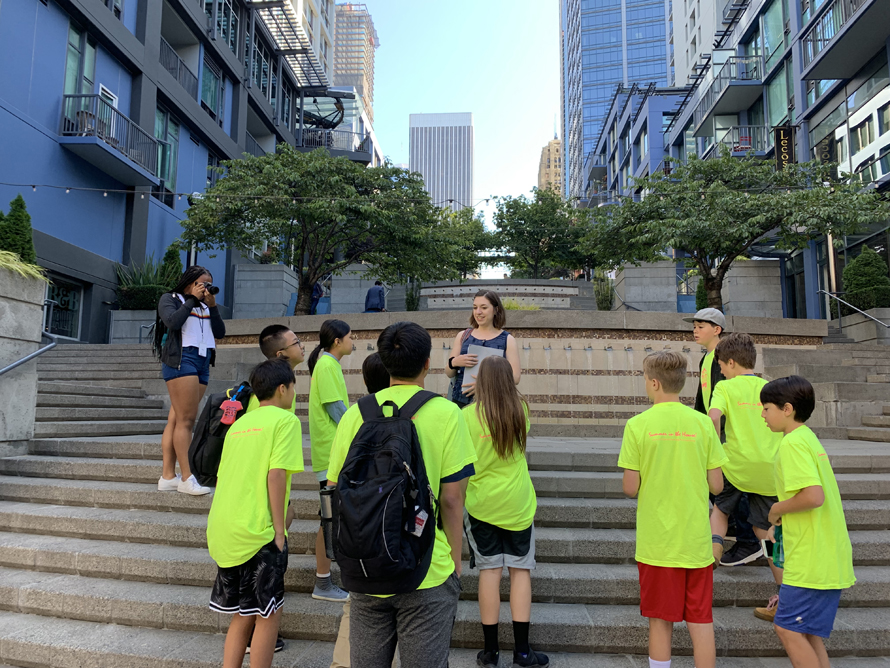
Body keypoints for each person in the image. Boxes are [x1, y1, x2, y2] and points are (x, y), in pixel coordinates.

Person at [327, 321, 477, 668]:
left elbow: (335, 488)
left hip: (366, 567)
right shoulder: (446, 413)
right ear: (427, 363)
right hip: (427, 568)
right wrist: (454, 561)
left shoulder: (356, 414)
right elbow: (453, 499)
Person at [618, 351, 727, 668]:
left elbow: (630, 488)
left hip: (657, 544)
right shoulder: (703, 423)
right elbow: (717, 486)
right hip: (695, 541)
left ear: (653, 382)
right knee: (701, 620)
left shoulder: (637, 425)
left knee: (659, 622)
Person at [206, 358, 304, 668]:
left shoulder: (239, 425)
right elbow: (276, 475)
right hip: (257, 531)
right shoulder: (286, 421)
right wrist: (278, 530)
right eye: (293, 389)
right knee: (268, 616)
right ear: (282, 389)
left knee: (243, 614)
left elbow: (224, 478)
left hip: (226, 527)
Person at [761, 375, 856, 668]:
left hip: (812, 561)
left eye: (766, 408)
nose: (762, 414)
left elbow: (814, 496)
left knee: (786, 628)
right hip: (825, 556)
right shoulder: (808, 437)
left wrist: (776, 509)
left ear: (787, 409)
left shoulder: (792, 444)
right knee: (807, 633)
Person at [463, 356, 547, 668]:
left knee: (489, 572)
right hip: (518, 504)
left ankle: (491, 653)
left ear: (480, 382)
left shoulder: (466, 416)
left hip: (482, 504)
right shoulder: (520, 411)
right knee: (520, 571)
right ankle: (523, 652)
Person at [707, 333, 784, 622]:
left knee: (720, 510)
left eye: (722, 366)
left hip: (735, 466)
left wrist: (712, 452)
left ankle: (713, 555)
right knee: (765, 530)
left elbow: (713, 418)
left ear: (730, 362)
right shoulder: (768, 387)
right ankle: (783, 592)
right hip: (769, 469)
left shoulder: (725, 388)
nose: (722, 371)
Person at [243, 324, 305, 655]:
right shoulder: (265, 402)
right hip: (261, 508)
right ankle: (261, 633)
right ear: (281, 354)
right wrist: (276, 522)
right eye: (296, 342)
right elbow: (266, 466)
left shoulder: (279, 392)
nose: (302, 345)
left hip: (272, 502)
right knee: (262, 570)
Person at [329, 351, 393, 668]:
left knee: (357, 613)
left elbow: (333, 479)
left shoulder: (353, 415)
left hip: (360, 531)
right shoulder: (419, 412)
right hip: (401, 533)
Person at [684, 307, 761, 568]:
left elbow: (723, 403)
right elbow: (702, 399)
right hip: (716, 432)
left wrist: (717, 437)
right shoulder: (705, 359)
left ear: (717, 330)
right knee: (723, 488)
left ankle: (746, 539)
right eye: (694, 325)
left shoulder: (723, 358)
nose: (695, 330)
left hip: (728, 435)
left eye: (701, 326)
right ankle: (731, 530)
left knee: (730, 487)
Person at [155, 266, 226, 496]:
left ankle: (167, 476)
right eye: (202, 284)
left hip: (203, 360)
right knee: (186, 420)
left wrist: (212, 306)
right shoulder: (171, 298)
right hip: (182, 359)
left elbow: (220, 332)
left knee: (176, 419)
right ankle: (186, 478)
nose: (206, 288)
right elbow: (173, 322)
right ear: (190, 283)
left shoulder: (206, 306)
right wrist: (191, 301)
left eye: (209, 284)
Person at [307, 319, 352, 603]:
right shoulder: (326, 366)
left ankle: (328, 580)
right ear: (337, 341)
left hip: (333, 454)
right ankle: (322, 583)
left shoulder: (328, 364)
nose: (353, 339)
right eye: (350, 336)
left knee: (332, 519)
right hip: (331, 456)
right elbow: (337, 409)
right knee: (329, 520)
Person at [445, 290, 521, 408]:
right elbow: (448, 372)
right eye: (475, 308)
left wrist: (486, 385)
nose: (478, 312)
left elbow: (515, 378)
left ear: (496, 310)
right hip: (460, 404)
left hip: (493, 406)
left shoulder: (508, 339)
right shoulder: (463, 336)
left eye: (484, 307)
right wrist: (454, 362)